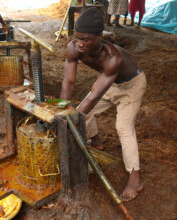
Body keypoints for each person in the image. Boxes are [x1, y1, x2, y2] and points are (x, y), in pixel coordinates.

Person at [60, 8, 146, 201]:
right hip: (111, 82)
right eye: (77, 38)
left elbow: (94, 96)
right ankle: (95, 141)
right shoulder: (74, 47)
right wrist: (62, 111)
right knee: (80, 113)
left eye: (85, 39)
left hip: (132, 85)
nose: (80, 44)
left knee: (123, 128)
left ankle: (135, 178)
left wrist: (69, 120)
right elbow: (68, 82)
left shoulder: (112, 57)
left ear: (99, 36)